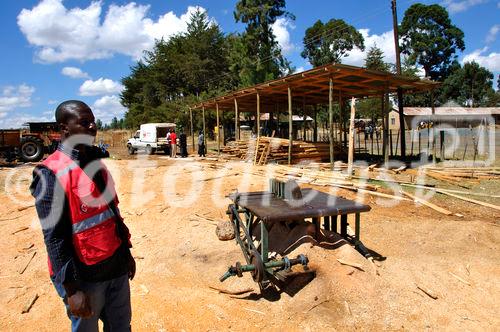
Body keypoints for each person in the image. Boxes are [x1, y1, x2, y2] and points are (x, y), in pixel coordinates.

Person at [30, 100, 135, 331]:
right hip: (84, 278)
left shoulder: (95, 163)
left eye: (93, 121)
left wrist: (126, 253)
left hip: (115, 268)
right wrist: (71, 289)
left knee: (121, 327)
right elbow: (55, 238)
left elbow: (112, 214)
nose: (92, 127)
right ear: (64, 128)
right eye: (84, 122)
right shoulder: (50, 174)